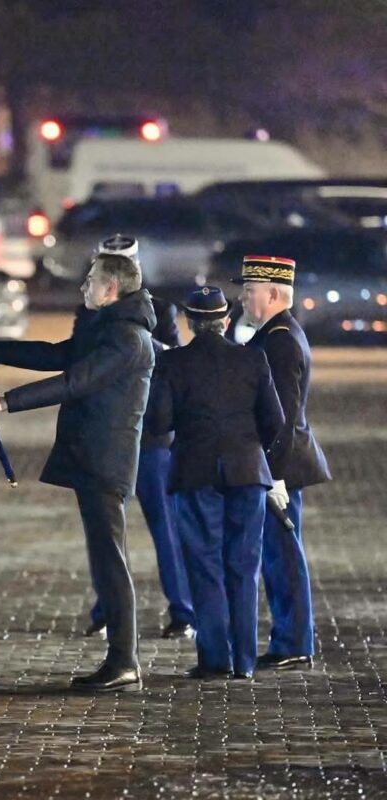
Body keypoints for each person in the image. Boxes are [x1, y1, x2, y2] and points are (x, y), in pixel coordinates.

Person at [0, 244, 156, 693]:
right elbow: (55, 355)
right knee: (107, 556)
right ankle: (121, 659)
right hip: (93, 458)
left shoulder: (127, 338)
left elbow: (76, 382)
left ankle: (125, 661)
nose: (83, 287)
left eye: (89, 281)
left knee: (111, 560)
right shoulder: (108, 328)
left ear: (110, 290)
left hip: (107, 461)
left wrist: (7, 402)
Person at [145, 286, 285, 679]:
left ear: (189, 323)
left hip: (195, 472)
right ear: (226, 322)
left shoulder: (173, 364)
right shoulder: (253, 358)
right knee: (244, 566)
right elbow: (274, 422)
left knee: (204, 565)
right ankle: (245, 661)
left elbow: (159, 422)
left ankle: (214, 658)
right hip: (246, 472)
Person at [84, 236, 195, 641]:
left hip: (151, 438)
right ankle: (107, 608)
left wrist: (146, 346)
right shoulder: (90, 315)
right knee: (104, 530)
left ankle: (183, 610)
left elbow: (177, 364)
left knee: (165, 527)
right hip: (107, 436)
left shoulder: (158, 311)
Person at [237, 255, 331, 670]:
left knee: (282, 556)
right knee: (279, 555)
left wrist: (272, 475)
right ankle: (291, 637)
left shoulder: (278, 340)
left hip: (280, 469)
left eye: (249, 291)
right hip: (279, 466)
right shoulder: (277, 333)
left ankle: (294, 641)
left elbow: (283, 416)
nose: (242, 298)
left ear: (273, 294)